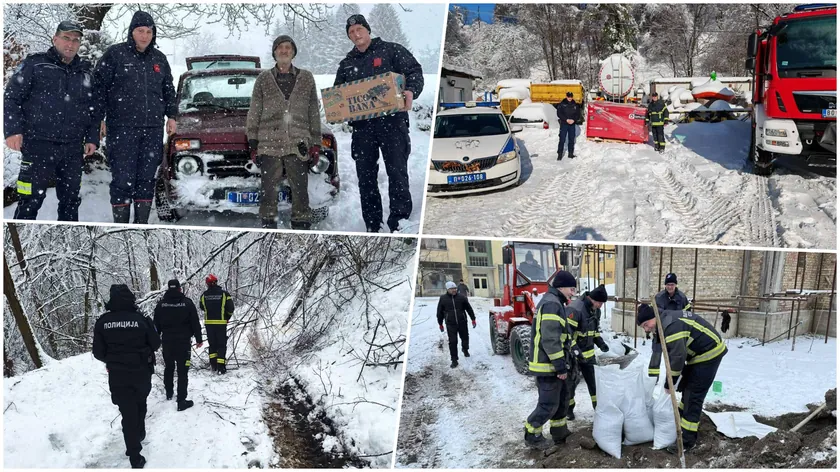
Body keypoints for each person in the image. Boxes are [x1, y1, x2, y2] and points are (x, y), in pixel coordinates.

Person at [334, 14, 424, 233]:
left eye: (359, 29)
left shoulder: (392, 50)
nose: (356, 35)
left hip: (393, 125)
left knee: (397, 173)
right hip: (363, 129)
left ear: (368, 30)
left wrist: (411, 90)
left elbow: (414, 71)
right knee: (365, 179)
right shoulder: (347, 64)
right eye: (351, 32)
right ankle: (372, 225)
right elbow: (338, 96)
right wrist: (340, 109)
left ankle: (399, 221)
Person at [4, 20, 99, 221]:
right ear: (55, 39)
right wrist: (12, 130)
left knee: (71, 201)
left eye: (76, 40)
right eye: (66, 38)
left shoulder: (85, 73)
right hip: (37, 146)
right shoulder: (35, 64)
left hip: (72, 149)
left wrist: (92, 138)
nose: (71, 44)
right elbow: (12, 97)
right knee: (29, 201)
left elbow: (93, 109)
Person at [94, 11, 177, 224]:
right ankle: (121, 224)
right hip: (122, 129)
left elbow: (168, 90)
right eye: (140, 31)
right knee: (122, 179)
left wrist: (172, 116)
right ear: (132, 32)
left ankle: (141, 224)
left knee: (146, 179)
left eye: (149, 32)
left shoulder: (159, 59)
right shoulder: (115, 55)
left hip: (152, 130)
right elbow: (98, 88)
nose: (145, 36)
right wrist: (99, 117)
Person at [247, 35, 321, 230]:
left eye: (288, 47)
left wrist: (316, 143)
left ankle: (301, 224)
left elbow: (313, 110)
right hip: (268, 144)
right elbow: (254, 110)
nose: (284, 51)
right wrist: (253, 141)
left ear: (294, 52)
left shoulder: (306, 78)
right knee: (268, 191)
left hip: (298, 143)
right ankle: (268, 225)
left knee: (300, 190)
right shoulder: (263, 79)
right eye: (280, 47)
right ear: (274, 52)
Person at [637, 304, 727, 453]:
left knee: (693, 395)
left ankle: (686, 441)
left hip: (708, 354)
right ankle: (679, 418)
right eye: (643, 327)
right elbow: (676, 354)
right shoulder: (665, 320)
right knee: (686, 387)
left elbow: (677, 359)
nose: (646, 329)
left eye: (646, 324)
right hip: (697, 355)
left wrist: (669, 383)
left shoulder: (671, 326)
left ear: (654, 317)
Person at [92, 284, 161, 469]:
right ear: (130, 298)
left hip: (117, 375)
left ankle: (134, 453)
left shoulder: (102, 322)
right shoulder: (141, 319)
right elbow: (155, 344)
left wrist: (113, 359)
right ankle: (138, 434)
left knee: (127, 413)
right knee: (140, 404)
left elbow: (98, 353)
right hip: (141, 372)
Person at [524, 270, 576, 449]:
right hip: (547, 366)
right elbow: (550, 339)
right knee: (548, 404)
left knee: (562, 400)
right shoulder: (552, 304)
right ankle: (532, 434)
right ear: (561, 287)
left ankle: (559, 432)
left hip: (552, 364)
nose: (573, 293)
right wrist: (560, 367)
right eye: (571, 288)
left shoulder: (554, 302)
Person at [153, 279, 203, 411]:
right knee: (182, 371)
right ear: (180, 289)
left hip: (167, 343)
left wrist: (154, 341)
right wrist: (199, 338)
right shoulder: (187, 303)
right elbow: (195, 322)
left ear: (168, 289)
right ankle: (181, 400)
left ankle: (169, 392)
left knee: (168, 367)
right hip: (183, 344)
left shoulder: (161, 305)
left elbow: (155, 325)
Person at [566, 284, 609, 420]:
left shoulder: (596, 311)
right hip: (573, 355)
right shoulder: (575, 309)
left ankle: (599, 409)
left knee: (593, 383)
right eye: (600, 303)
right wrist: (577, 353)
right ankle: (569, 409)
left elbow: (593, 331)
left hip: (589, 354)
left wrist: (600, 343)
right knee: (571, 383)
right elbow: (567, 336)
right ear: (592, 299)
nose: (601, 306)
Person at [436, 281, 476, 368]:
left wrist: (473, 319)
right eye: (451, 289)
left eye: (455, 288)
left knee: (465, 338)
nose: (454, 290)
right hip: (450, 324)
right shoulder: (443, 298)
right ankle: (454, 360)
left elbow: (469, 308)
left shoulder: (461, 297)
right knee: (453, 342)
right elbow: (439, 312)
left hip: (462, 322)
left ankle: (465, 349)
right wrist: (440, 323)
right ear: (447, 289)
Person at [200, 274, 234, 374]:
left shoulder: (204, 295)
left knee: (212, 345)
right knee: (221, 345)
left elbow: (202, 307)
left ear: (208, 284)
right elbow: (231, 308)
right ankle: (221, 367)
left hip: (209, 324)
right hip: (221, 323)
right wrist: (227, 317)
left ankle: (213, 365)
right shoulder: (224, 294)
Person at [556, 91, 581, 160]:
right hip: (564, 124)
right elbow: (559, 114)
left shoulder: (575, 105)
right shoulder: (562, 104)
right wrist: (566, 119)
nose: (570, 98)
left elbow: (578, 115)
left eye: (571, 97)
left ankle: (570, 153)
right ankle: (560, 154)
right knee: (562, 139)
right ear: (566, 96)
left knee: (571, 139)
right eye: (568, 97)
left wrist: (574, 120)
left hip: (572, 124)